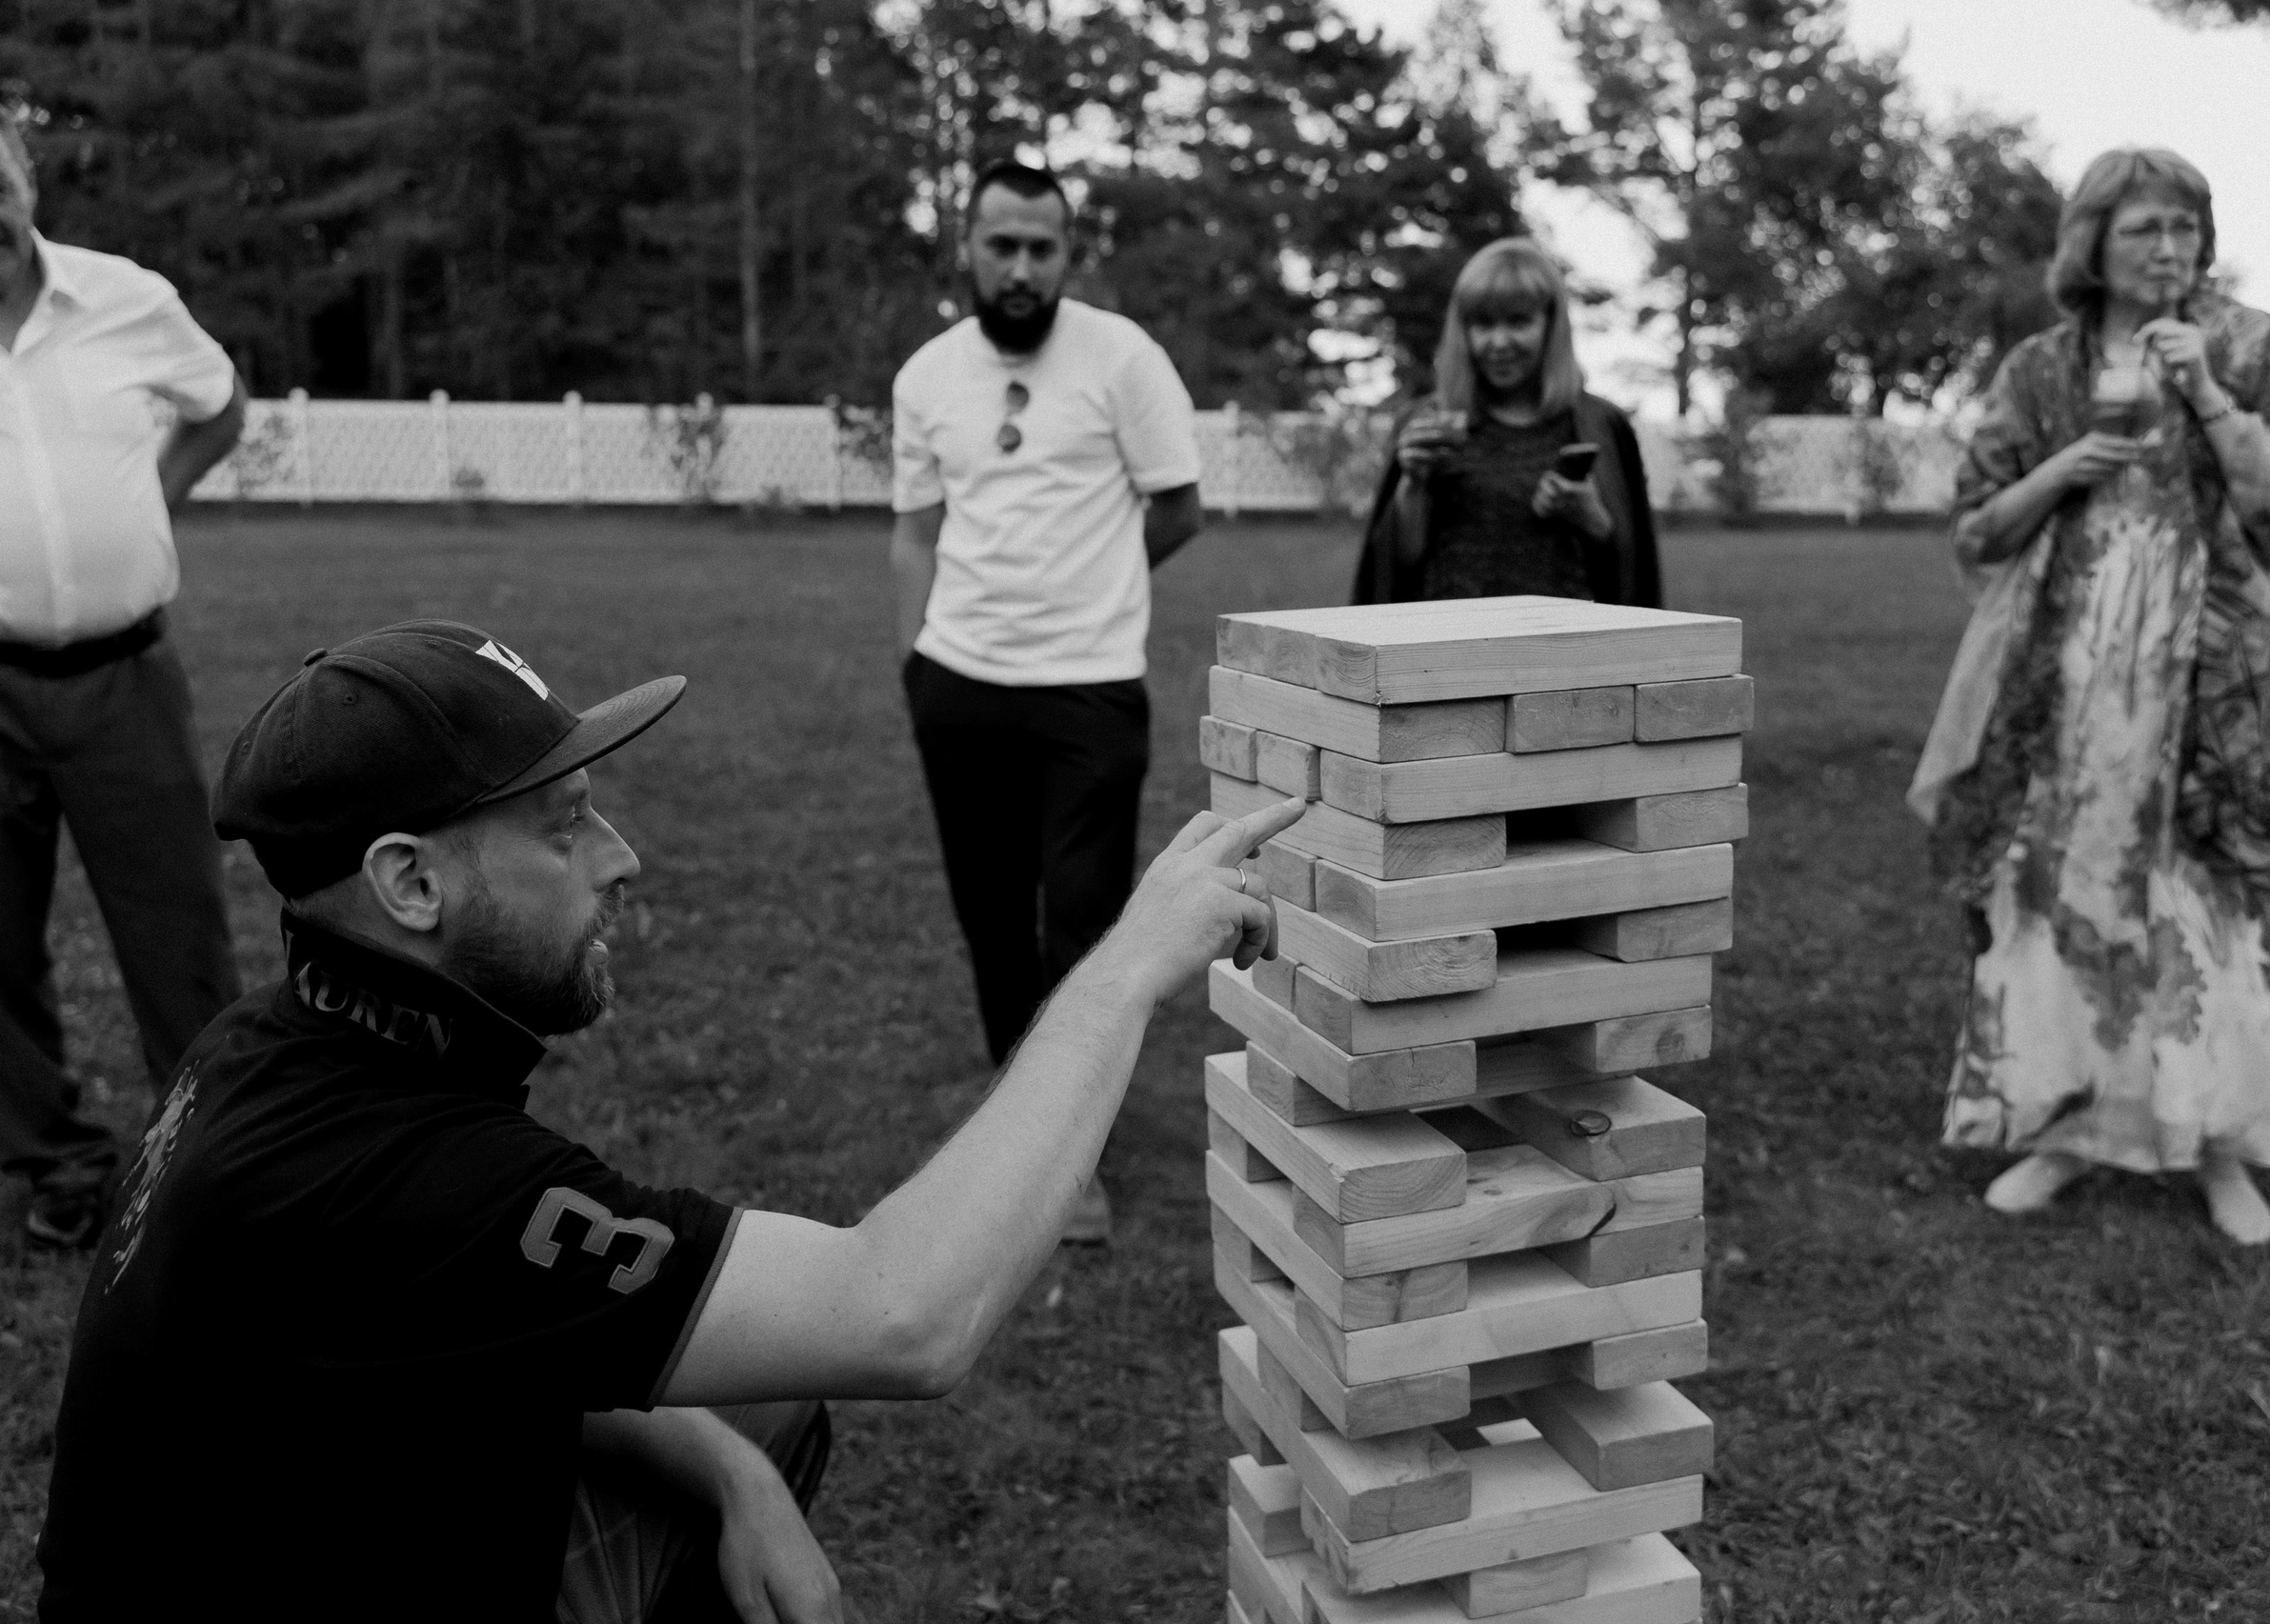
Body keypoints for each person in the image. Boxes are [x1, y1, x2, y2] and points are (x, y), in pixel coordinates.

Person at [36, 618, 1302, 1622]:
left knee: (758, 1416)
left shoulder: (275, 1042)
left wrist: (735, 1478)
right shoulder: (404, 1184)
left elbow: (466, 1322)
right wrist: (1132, 962)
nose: (622, 854)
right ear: (410, 882)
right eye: (565, 824)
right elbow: (906, 1312)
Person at [1908, 148, 2270, 1246]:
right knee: (2065, 890)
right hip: (2065, 680)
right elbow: (1973, 524)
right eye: (2146, 227)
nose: (2171, 247)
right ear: (2093, 243)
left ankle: (2215, 1142)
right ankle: (2065, 1124)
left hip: (2208, 676)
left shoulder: (2245, 347)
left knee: (2201, 896)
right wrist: (2064, 469)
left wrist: (2206, 395)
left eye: (2187, 226)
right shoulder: (2040, 370)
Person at [889, 159, 1205, 1243]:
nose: (1020, 267)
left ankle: (1073, 1165)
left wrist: (1094, 589)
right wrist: (914, 665)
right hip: (959, 688)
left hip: (1090, 693)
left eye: (1041, 246)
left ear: (1069, 253)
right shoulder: (927, 375)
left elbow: (1178, 507)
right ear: (965, 247)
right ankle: (1016, 1122)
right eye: (1000, 244)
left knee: (1082, 924)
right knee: (991, 924)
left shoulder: (1124, 358)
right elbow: (913, 530)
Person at [0, 117, 250, 1249]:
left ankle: (211, 1162)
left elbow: (219, 404)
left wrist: (151, 501)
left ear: (25, 173)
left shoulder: (125, 298)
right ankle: (54, 1160)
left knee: (177, 927)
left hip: (125, 678)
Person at [1351, 237, 1660, 608]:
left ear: (1551, 325)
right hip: (1446, 648)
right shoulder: (1424, 424)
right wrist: (1414, 484)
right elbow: (1392, 571)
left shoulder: (1602, 425)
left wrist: (1593, 518)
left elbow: (1632, 572)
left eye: (1518, 321)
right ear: (1462, 330)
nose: (1499, 342)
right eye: (1482, 323)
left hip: (1562, 648)